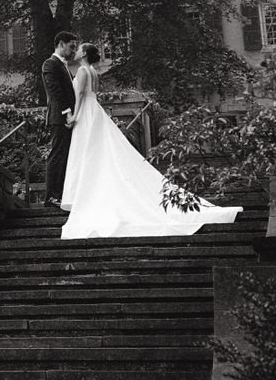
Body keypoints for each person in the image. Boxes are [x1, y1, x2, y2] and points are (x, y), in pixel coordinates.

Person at [60, 42, 242, 238]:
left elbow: (79, 95)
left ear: (84, 53)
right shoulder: (93, 71)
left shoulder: (81, 71)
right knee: (98, 153)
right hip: (95, 110)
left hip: (86, 112)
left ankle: (89, 196)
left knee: (89, 153)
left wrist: (74, 116)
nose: (76, 51)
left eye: (79, 49)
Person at [40, 32, 80, 209]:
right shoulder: (50, 64)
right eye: (71, 46)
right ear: (61, 44)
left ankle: (61, 194)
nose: (73, 50)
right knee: (57, 155)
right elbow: (55, 91)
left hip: (66, 117)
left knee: (64, 156)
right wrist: (67, 113)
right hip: (60, 118)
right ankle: (51, 197)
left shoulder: (63, 65)